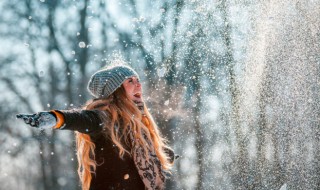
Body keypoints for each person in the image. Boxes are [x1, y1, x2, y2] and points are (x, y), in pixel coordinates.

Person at [17, 63, 175, 190]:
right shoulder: (106, 119)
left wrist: (160, 154)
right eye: (130, 81)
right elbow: (82, 119)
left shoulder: (139, 127)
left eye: (138, 80)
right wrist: (56, 118)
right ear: (116, 90)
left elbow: (135, 157)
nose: (138, 85)